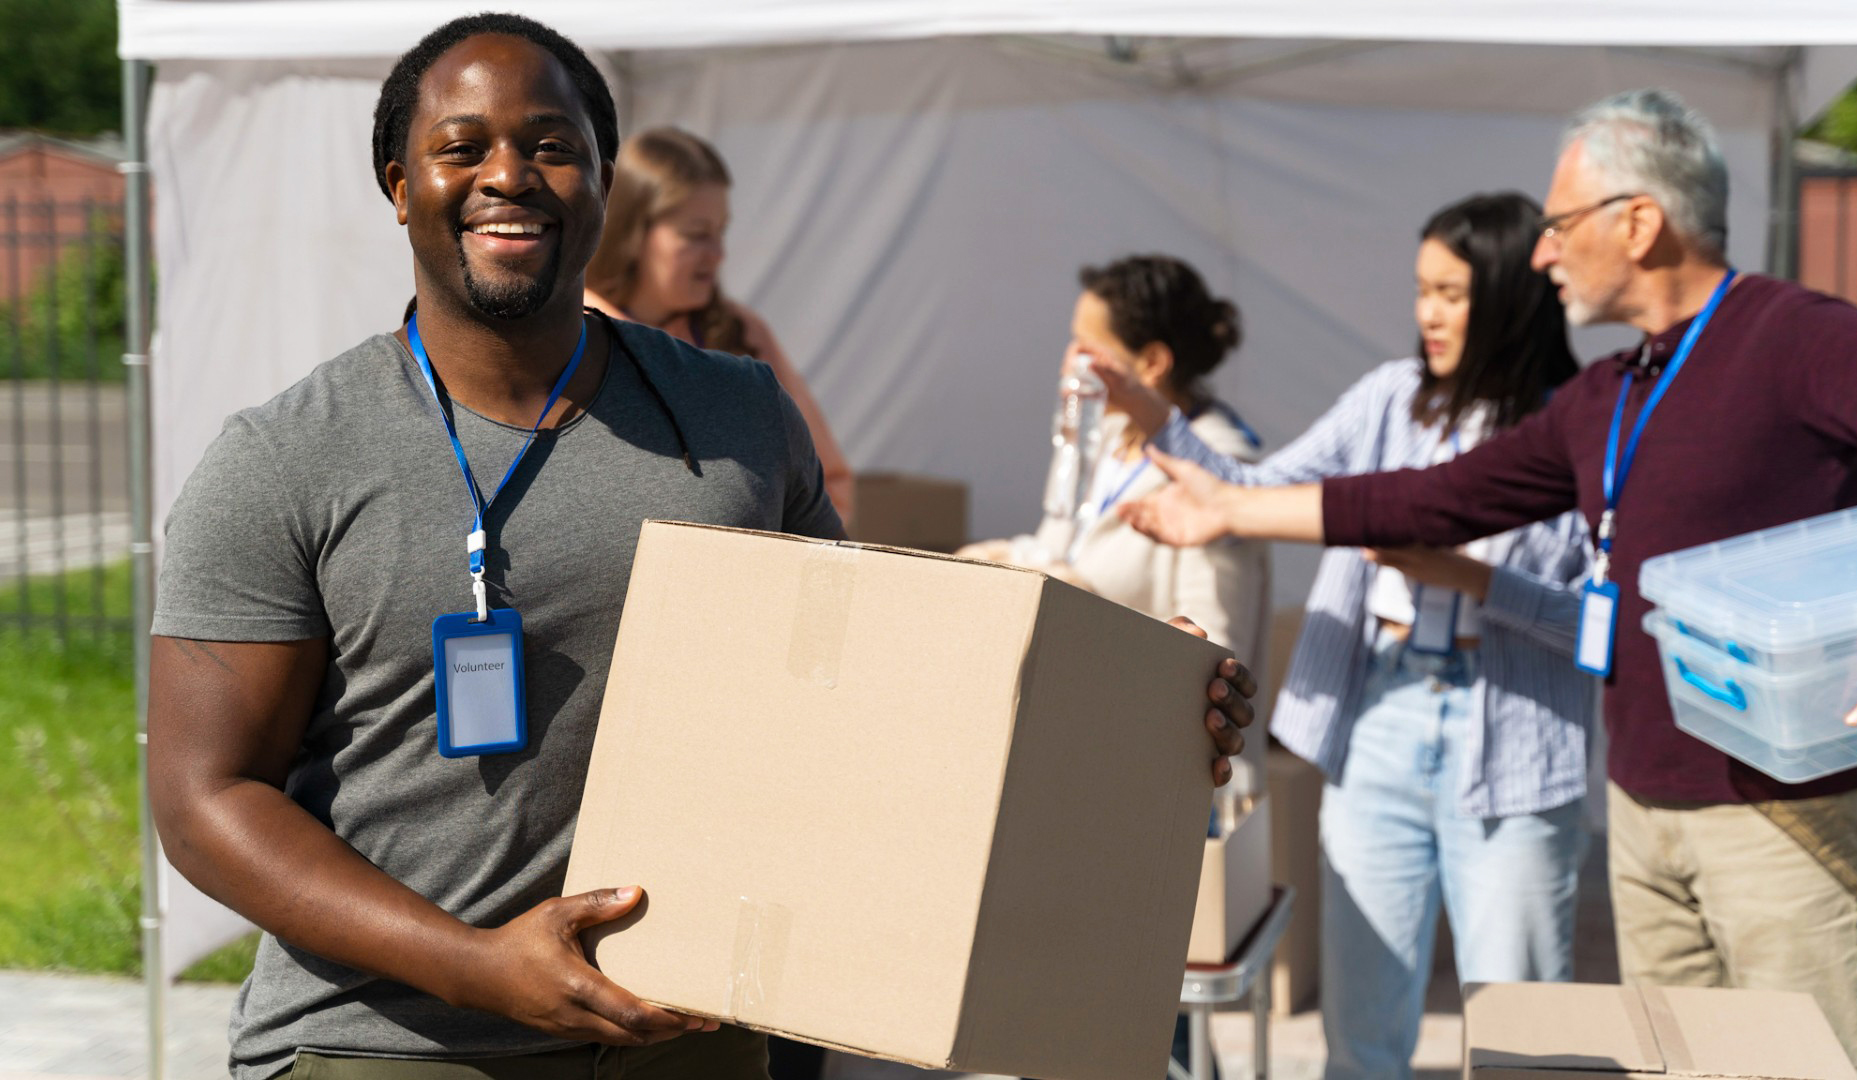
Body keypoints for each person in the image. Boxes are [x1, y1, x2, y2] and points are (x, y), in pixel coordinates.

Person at [145, 14, 1256, 1079]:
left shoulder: (736, 418)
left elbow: (860, 690)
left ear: (604, 182)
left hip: (694, 1039)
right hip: (388, 1050)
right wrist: (476, 967)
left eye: (552, 147)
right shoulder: (284, 458)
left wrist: (1130, 710)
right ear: (398, 185)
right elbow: (206, 799)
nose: (509, 175)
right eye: (459, 147)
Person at [1120, 89, 1857, 1058]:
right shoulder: (1610, 393)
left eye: (1559, 226)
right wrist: (1226, 506)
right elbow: (1426, 500)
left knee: (1797, 1060)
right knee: (1686, 1059)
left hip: (1781, 816)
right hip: (1645, 807)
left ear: (1639, 223)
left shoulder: (1801, 337)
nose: (1544, 251)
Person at [1101, 197, 1591, 1079]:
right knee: (1361, 1032)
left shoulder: (1576, 426)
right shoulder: (1388, 400)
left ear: (1516, 300)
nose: (1428, 312)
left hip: (1515, 734)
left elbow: (1604, 621)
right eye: (1420, 289)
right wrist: (1157, 417)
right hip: (1382, 719)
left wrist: (1475, 581)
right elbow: (1258, 489)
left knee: (1525, 1038)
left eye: (1450, 291)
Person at [962, 254, 1271, 672]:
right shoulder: (1104, 433)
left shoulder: (1216, 471)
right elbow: (1054, 549)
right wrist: (993, 560)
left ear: (1152, 364)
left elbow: (1213, 653)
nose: (1068, 366)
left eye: (1087, 351)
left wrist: (1076, 604)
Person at [583, 126, 855, 524]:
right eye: (696, 235)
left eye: (720, 232)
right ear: (632, 232)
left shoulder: (743, 332)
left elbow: (827, 478)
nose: (717, 253)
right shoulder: (574, 336)